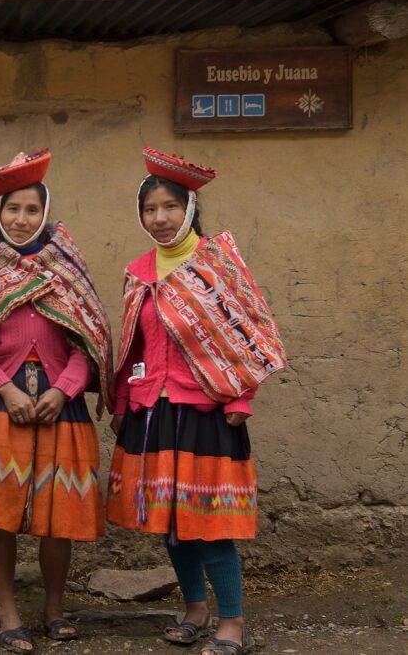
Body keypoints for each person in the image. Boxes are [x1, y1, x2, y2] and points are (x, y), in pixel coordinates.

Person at [0, 149, 113, 654]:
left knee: (60, 517)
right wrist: (2, 388)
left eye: (32, 210)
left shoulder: (67, 266)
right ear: (0, 213)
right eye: (13, 209)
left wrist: (63, 389)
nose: (22, 219)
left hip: (60, 404)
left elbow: (91, 340)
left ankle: (54, 609)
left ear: (45, 213)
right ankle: (8, 612)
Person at [107, 148, 288, 655]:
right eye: (150, 210)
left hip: (209, 410)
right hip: (155, 412)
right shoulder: (139, 271)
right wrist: (123, 401)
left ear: (187, 208)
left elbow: (250, 335)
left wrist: (242, 398)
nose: (159, 218)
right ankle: (194, 610)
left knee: (208, 523)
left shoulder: (217, 265)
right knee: (169, 521)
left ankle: (232, 622)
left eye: (168, 207)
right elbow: (133, 345)